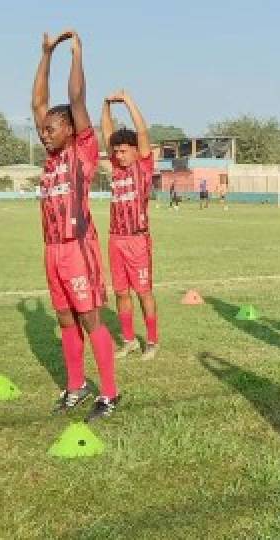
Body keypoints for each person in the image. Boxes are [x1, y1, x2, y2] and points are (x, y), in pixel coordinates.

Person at [32, 27, 121, 421]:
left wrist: (76, 55)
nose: (44, 135)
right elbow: (38, 103)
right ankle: (76, 385)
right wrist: (47, 54)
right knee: (65, 319)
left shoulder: (83, 151)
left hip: (78, 249)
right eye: (43, 130)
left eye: (51, 129)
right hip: (52, 250)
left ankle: (111, 393)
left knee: (90, 318)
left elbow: (75, 98)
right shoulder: (51, 161)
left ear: (70, 129)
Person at [101, 89, 161, 362]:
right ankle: (128, 340)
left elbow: (143, 132)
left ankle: (151, 341)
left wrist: (127, 101)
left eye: (124, 150)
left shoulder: (143, 167)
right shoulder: (116, 168)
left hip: (137, 240)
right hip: (116, 238)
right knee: (121, 292)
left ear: (136, 151)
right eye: (117, 151)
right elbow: (106, 133)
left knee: (143, 292)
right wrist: (105, 106)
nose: (120, 155)